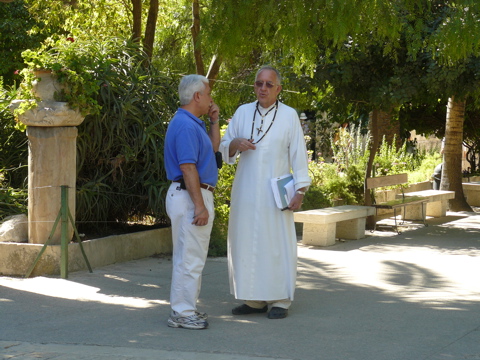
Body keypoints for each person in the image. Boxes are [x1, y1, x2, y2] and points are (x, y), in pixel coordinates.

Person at [219, 66, 311, 319]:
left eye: (269, 84)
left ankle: (280, 300)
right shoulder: (242, 112)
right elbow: (224, 146)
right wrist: (234, 144)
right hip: (246, 191)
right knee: (246, 242)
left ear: (278, 89)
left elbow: (299, 156)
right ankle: (253, 299)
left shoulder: (289, 115)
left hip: (276, 194)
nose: (263, 88)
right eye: (259, 83)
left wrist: (300, 190)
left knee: (276, 244)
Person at [164, 74, 220, 330]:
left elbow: (212, 149)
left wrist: (214, 122)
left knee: (190, 256)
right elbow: (188, 167)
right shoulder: (186, 126)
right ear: (197, 96)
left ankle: (186, 309)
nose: (210, 99)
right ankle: (183, 312)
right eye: (208, 94)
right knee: (189, 258)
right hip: (190, 196)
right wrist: (200, 206)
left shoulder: (190, 122)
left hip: (189, 194)